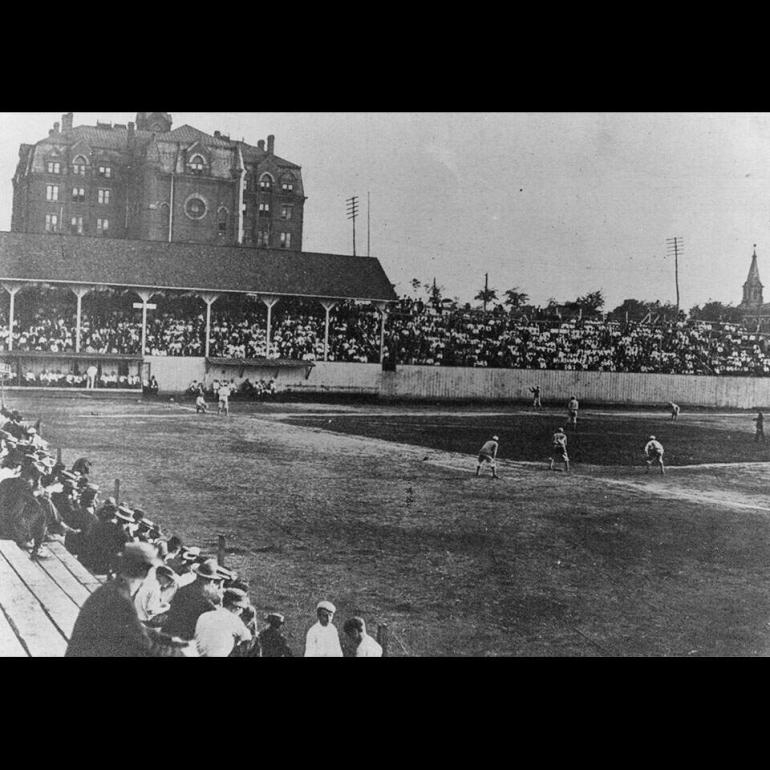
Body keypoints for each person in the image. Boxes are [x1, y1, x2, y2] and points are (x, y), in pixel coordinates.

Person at [66, 542, 195, 657]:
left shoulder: (113, 588)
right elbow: (144, 646)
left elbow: (136, 628)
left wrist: (168, 641)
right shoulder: (120, 599)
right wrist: (179, 653)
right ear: (146, 571)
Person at [161, 558, 225, 640]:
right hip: (187, 638)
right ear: (211, 580)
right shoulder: (206, 599)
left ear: (197, 575)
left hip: (169, 633)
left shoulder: (182, 590)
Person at [194, 587, 253, 657]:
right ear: (237, 608)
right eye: (241, 609)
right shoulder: (234, 620)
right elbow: (247, 637)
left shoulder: (204, 615)